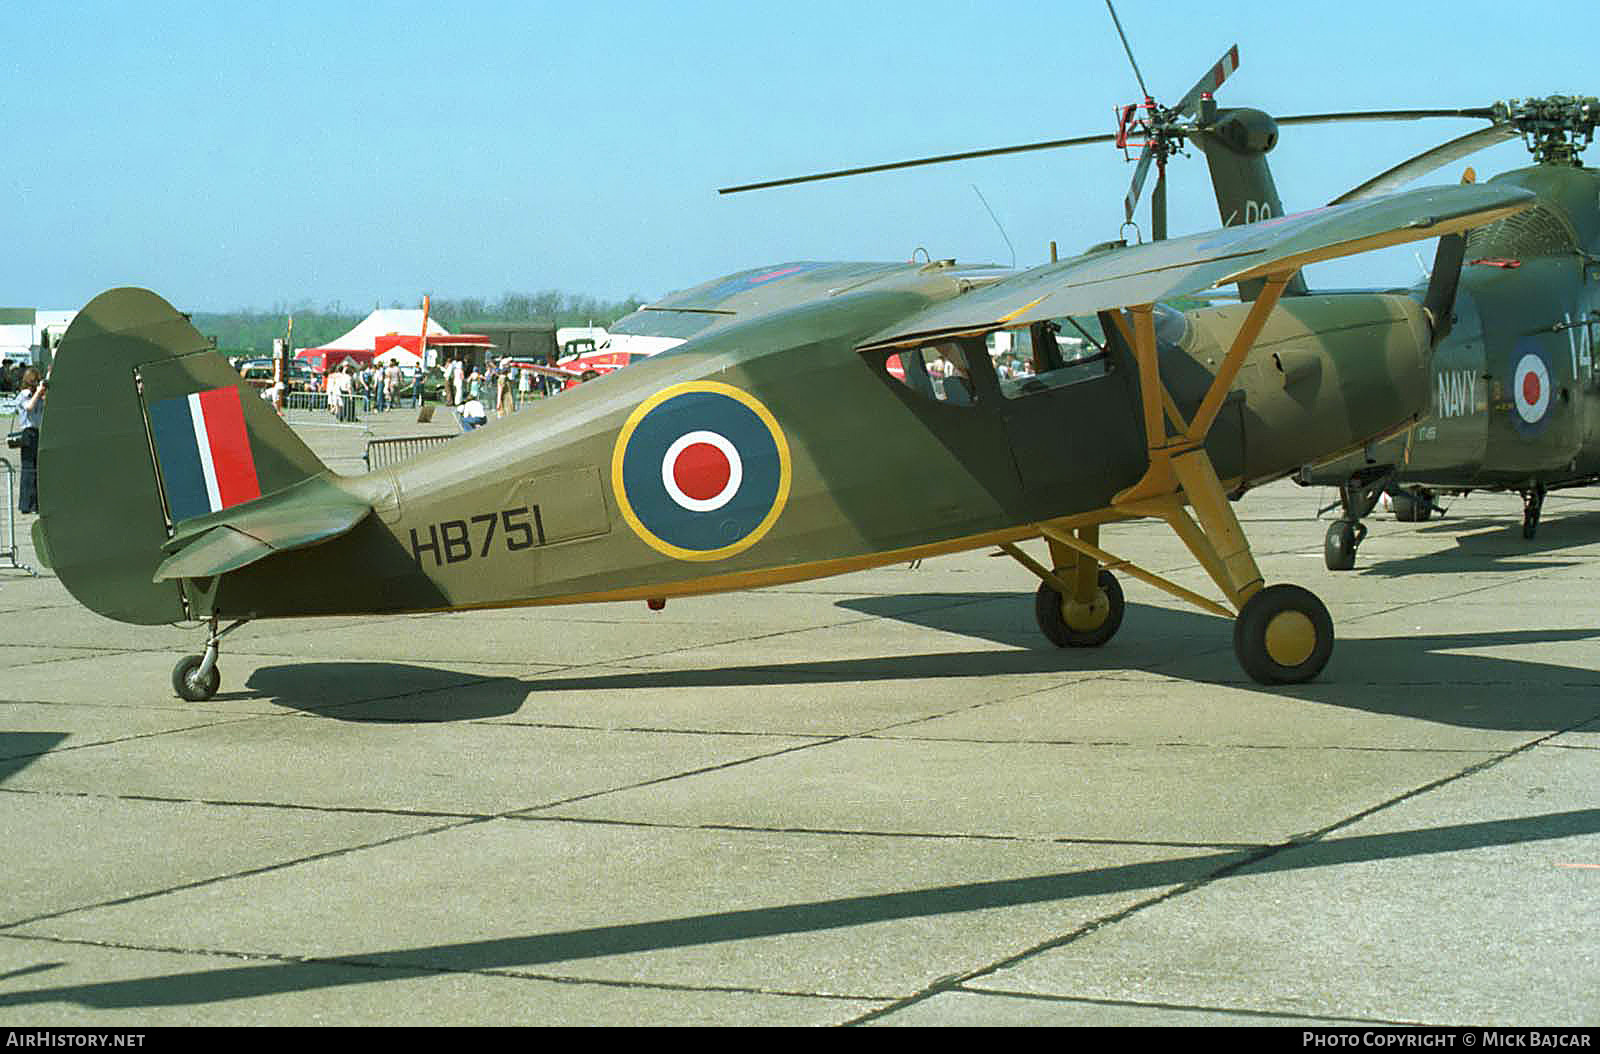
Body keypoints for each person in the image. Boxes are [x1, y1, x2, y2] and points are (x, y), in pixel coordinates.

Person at [14, 367, 45, 513]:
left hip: (37, 432)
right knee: (28, 470)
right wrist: (38, 393)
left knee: (37, 469)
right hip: (27, 433)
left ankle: (36, 503)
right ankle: (27, 504)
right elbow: (29, 407)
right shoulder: (24, 395)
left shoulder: (36, 395)